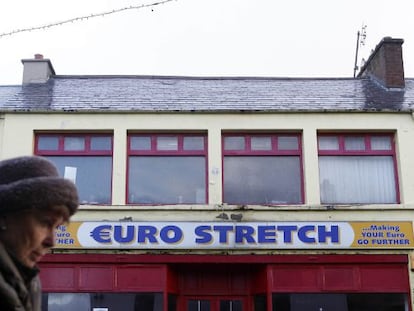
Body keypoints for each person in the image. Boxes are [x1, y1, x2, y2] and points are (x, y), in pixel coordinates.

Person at [0, 156, 79, 311]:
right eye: (45, 223)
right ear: (4, 216)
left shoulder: (29, 283)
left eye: (57, 227)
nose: (51, 241)